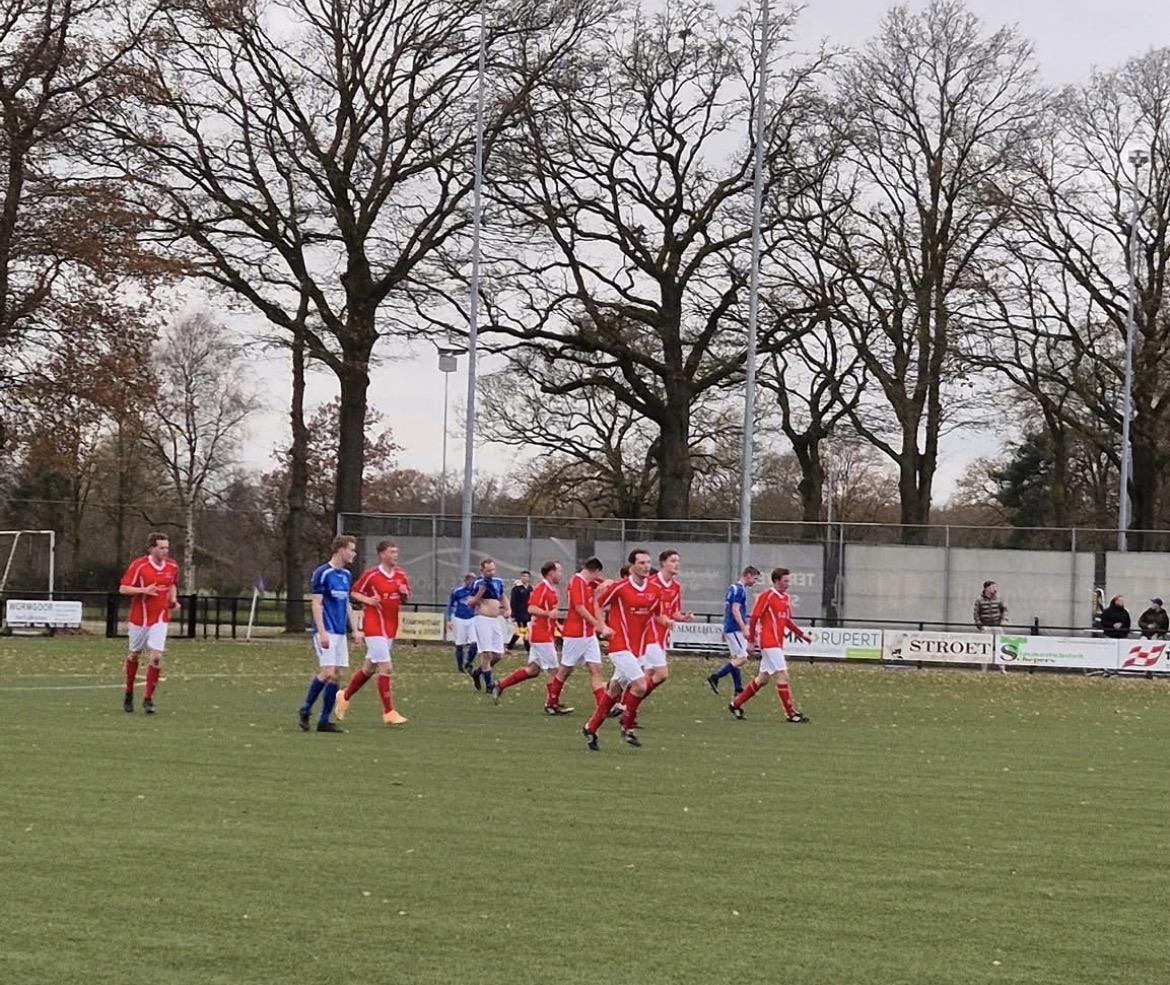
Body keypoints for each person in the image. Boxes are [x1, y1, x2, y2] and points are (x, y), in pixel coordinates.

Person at [581, 549, 658, 751]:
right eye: (641, 563)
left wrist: (671, 620)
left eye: (648, 562)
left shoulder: (653, 589)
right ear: (632, 566)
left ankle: (591, 727)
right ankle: (627, 726)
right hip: (619, 645)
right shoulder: (621, 587)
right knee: (640, 686)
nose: (646, 566)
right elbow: (598, 604)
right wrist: (602, 627)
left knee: (614, 689)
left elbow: (657, 615)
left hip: (638, 648)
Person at [334, 540, 410, 726]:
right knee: (386, 668)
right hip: (374, 626)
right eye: (391, 552)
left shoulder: (400, 575)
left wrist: (403, 593)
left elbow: (405, 598)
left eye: (396, 552)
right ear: (382, 554)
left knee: (369, 669)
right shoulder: (372, 575)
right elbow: (354, 592)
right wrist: (368, 600)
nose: (395, 555)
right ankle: (389, 712)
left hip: (390, 627)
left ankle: (344, 696)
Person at [621, 549, 691, 731]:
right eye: (673, 560)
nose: (677, 564)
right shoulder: (651, 583)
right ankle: (627, 708)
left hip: (661, 637)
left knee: (645, 677)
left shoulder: (676, 587)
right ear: (663, 564)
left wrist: (682, 617)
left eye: (678, 560)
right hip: (648, 635)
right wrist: (664, 620)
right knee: (659, 674)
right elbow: (650, 612)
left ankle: (627, 708)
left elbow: (673, 612)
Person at [298, 535, 363, 733]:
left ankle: (324, 721)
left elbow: (346, 604)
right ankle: (305, 709)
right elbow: (316, 604)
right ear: (341, 550)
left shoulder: (346, 575)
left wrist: (355, 629)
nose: (353, 554)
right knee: (327, 672)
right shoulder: (322, 573)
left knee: (336, 676)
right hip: (325, 630)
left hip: (340, 632)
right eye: (351, 550)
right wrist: (322, 632)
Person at [730, 567, 811, 724]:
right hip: (769, 642)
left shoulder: (785, 597)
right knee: (783, 676)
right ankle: (791, 714)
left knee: (763, 679)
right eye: (785, 581)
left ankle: (736, 704)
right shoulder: (767, 596)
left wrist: (802, 634)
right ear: (776, 581)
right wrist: (751, 641)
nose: (787, 584)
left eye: (788, 581)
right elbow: (755, 617)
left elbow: (787, 620)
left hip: (776, 643)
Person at [119, 532, 181, 715]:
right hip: (140, 619)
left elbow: (172, 584)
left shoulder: (172, 566)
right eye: (161, 548)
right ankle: (129, 692)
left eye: (167, 547)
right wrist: (143, 590)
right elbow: (123, 588)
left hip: (160, 618)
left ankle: (148, 699)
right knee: (134, 655)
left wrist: (173, 600)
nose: (165, 551)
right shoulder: (139, 565)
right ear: (151, 548)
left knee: (156, 657)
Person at [547, 557, 612, 716]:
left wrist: (607, 584)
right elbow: (579, 608)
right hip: (575, 634)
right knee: (565, 669)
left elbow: (608, 584)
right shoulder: (577, 582)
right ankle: (551, 702)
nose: (597, 578)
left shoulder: (589, 581)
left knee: (595, 668)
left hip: (588, 635)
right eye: (597, 574)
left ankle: (603, 706)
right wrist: (597, 624)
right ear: (593, 571)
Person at [492, 561, 563, 706]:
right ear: (551, 573)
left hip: (543, 634)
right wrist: (548, 614)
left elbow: (550, 614)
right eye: (559, 571)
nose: (561, 574)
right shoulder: (542, 588)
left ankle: (501, 685)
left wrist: (558, 627)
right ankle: (552, 704)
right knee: (554, 670)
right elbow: (531, 608)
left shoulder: (551, 589)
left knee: (533, 670)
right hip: (541, 635)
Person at [708, 566, 761, 695]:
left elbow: (729, 610)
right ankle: (715, 676)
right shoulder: (740, 590)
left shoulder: (732, 588)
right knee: (742, 658)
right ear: (748, 575)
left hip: (730, 627)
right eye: (755, 579)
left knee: (736, 658)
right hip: (735, 628)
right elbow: (735, 610)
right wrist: (744, 628)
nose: (755, 582)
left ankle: (738, 687)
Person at [469, 557, 510, 691]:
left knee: (498, 655)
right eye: (488, 571)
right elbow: (470, 603)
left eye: (493, 570)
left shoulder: (498, 581)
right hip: (482, 619)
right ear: (482, 570)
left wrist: (507, 608)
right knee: (486, 653)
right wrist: (479, 594)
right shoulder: (478, 583)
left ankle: (478, 672)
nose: (491, 573)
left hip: (495, 620)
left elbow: (502, 596)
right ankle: (489, 685)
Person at [446, 572, 478, 672]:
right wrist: (449, 619)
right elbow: (450, 605)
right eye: (470, 581)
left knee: (474, 643)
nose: (471, 584)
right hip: (459, 619)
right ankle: (460, 666)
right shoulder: (457, 591)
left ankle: (469, 662)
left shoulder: (476, 592)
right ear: (466, 580)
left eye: (473, 582)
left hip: (472, 618)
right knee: (459, 644)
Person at [506, 571, 532, 651]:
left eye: (527, 576)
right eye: (523, 576)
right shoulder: (517, 589)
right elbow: (513, 601)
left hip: (527, 613)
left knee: (520, 631)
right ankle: (528, 647)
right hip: (519, 613)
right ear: (521, 577)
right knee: (523, 630)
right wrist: (513, 613)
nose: (525, 578)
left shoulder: (530, 588)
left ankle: (510, 645)